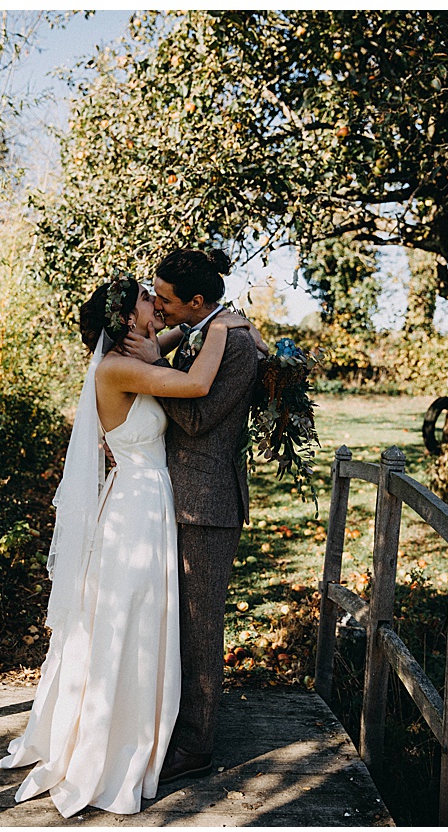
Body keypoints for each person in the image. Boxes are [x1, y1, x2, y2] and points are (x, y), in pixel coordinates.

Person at [0, 275, 251, 816]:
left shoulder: (138, 351)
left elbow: (173, 340)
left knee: (146, 620)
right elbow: (199, 384)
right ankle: (110, 741)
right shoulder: (117, 368)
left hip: (152, 503)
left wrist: (186, 329)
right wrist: (226, 328)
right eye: (146, 299)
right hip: (136, 509)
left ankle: (147, 729)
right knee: (129, 621)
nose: (156, 305)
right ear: (125, 317)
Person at [121, 248, 263, 784]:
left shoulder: (236, 342)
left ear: (196, 301)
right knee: (174, 622)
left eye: (165, 298)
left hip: (207, 504)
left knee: (200, 626)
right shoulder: (204, 329)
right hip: (175, 498)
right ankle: (170, 725)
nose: (157, 303)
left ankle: (198, 746)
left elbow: (200, 419)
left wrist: (154, 372)